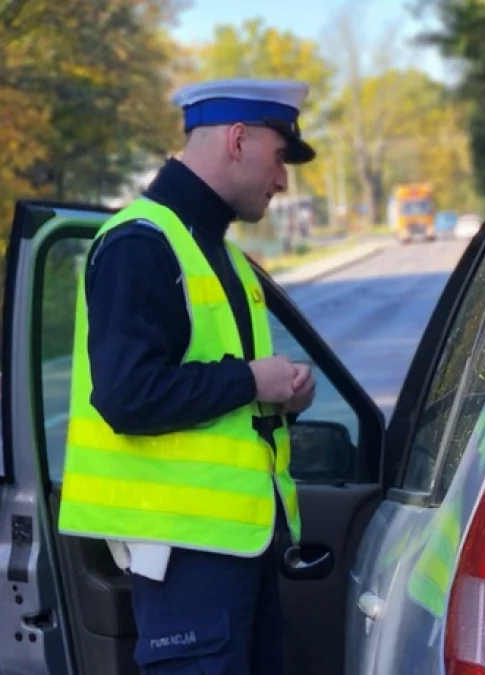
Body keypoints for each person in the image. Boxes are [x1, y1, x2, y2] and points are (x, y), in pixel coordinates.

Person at [56, 78, 319, 675]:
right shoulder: (140, 243)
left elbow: (223, 397)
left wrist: (283, 393)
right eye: (280, 158)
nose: (282, 180)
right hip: (187, 561)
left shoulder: (215, 250)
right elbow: (127, 397)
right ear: (236, 140)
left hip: (232, 550)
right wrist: (251, 381)